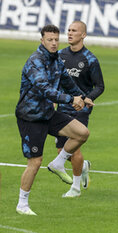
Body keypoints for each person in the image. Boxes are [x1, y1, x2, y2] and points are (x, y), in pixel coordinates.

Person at [15, 24, 93, 215]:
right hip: (31, 117)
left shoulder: (56, 60)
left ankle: (58, 163)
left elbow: (68, 82)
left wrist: (82, 97)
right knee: (35, 161)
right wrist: (70, 99)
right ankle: (22, 204)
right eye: (49, 39)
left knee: (82, 133)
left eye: (56, 39)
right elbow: (45, 90)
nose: (54, 43)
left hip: (48, 114)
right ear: (42, 40)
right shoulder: (35, 61)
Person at [47, 21, 104, 197]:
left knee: (74, 147)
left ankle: (76, 188)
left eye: (74, 31)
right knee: (61, 150)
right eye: (69, 30)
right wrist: (53, 101)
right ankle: (83, 166)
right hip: (63, 106)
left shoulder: (90, 59)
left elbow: (99, 86)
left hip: (80, 110)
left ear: (83, 35)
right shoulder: (60, 55)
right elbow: (54, 81)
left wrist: (88, 99)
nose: (70, 33)